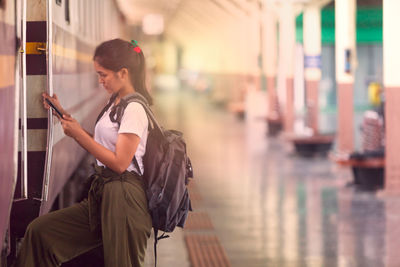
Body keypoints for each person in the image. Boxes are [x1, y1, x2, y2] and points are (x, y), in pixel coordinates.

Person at [14, 38, 153, 267]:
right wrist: (65, 117)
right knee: (41, 233)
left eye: (103, 75)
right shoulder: (115, 103)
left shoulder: (134, 109)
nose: (100, 81)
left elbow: (120, 163)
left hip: (124, 198)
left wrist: (78, 134)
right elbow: (103, 145)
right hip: (104, 193)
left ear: (123, 73)